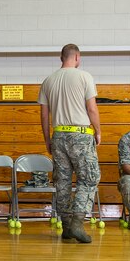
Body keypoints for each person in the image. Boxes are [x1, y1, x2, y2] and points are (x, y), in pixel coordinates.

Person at [38, 43, 101, 244]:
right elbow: (91, 109)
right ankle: (77, 222)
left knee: (62, 182)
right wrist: (98, 131)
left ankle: (66, 227)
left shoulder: (48, 81)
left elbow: (44, 114)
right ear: (77, 57)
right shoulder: (84, 76)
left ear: (61, 57)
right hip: (80, 135)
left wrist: (47, 139)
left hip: (58, 135)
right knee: (89, 178)